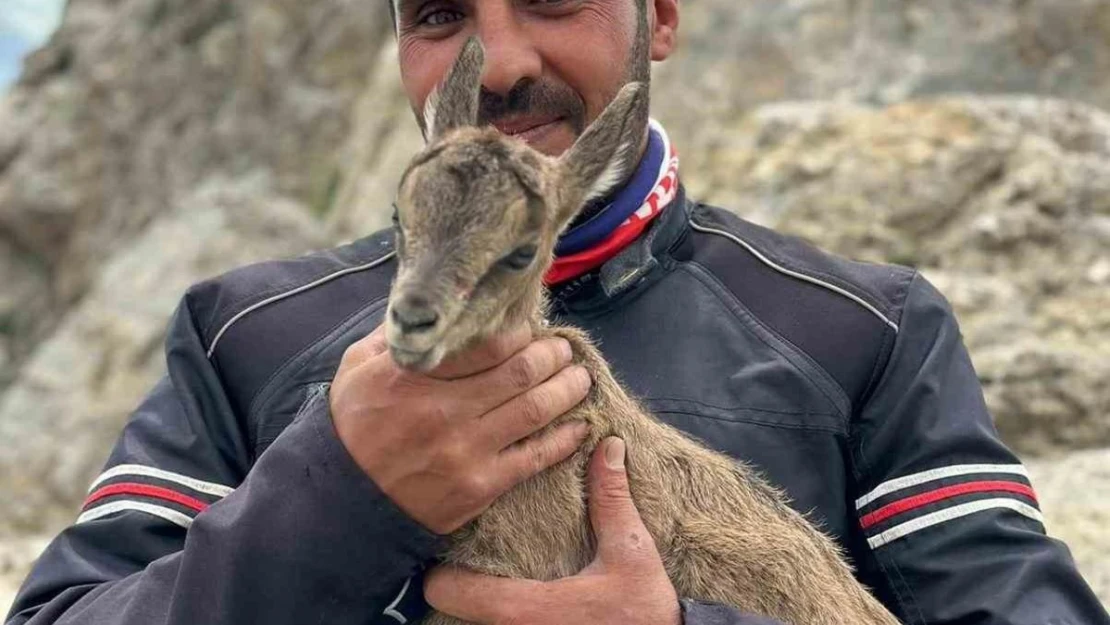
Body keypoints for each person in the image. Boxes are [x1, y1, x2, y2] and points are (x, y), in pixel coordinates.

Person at [7, 0, 1109, 623]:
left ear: (660, 18)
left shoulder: (862, 329)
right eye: (442, 12)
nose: (505, 61)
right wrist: (334, 498)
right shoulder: (242, 331)